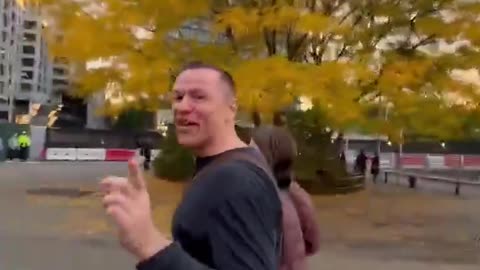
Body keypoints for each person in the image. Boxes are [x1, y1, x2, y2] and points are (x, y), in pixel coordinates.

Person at [100, 62, 282, 270]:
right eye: (178, 97)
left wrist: (149, 243)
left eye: (199, 97)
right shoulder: (226, 168)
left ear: (232, 109)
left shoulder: (235, 180)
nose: (182, 107)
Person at [251, 126, 320, 270]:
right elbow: (313, 242)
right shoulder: (296, 194)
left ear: (266, 156)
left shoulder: (256, 195)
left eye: (251, 149)